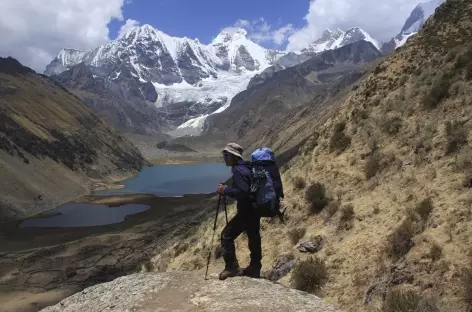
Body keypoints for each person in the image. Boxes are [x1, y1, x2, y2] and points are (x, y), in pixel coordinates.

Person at [216, 142, 262, 280]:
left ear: (234, 157)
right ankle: (255, 267)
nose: (225, 157)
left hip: (246, 210)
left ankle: (232, 267)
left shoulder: (238, 170)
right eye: (224, 154)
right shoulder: (247, 168)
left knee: (226, 235)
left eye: (227, 155)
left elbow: (242, 191)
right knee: (254, 236)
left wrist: (225, 190)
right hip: (255, 209)